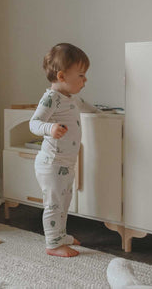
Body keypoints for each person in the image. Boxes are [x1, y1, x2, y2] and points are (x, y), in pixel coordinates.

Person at [29, 43, 100, 257]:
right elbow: (34, 123)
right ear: (61, 76)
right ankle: (53, 244)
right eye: (81, 75)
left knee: (64, 201)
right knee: (54, 203)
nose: (85, 80)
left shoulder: (71, 98)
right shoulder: (50, 98)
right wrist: (50, 128)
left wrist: (105, 114)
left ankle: (61, 235)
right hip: (52, 162)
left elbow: (87, 106)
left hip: (66, 163)